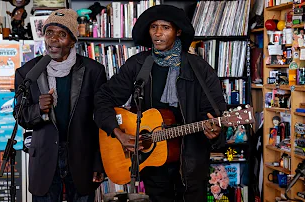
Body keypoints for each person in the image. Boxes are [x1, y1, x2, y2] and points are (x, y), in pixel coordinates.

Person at [94, 5, 227, 202]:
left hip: (191, 166)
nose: (158, 33)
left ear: (178, 31)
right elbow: (103, 98)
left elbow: (215, 114)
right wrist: (117, 132)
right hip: (152, 164)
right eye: (153, 27)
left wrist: (215, 132)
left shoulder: (200, 69)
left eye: (165, 27)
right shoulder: (138, 65)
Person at [14, 9, 107, 202]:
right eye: (49, 33)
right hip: (44, 158)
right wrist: (38, 109)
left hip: (82, 157)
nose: (53, 39)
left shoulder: (93, 71)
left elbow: (100, 119)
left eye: (62, 34)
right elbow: (21, 117)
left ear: (73, 41)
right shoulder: (27, 72)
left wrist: (99, 162)